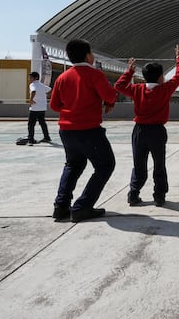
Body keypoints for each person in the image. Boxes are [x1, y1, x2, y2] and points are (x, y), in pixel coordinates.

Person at [50, 39, 118, 223]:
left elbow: (55, 105)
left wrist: (71, 108)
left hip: (66, 130)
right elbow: (110, 95)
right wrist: (107, 102)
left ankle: (61, 206)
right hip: (88, 130)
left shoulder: (63, 77)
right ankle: (82, 206)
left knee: (73, 165)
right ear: (88, 55)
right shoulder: (95, 75)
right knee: (105, 165)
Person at [115, 44, 179, 207]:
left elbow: (118, 86)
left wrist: (129, 72)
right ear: (161, 76)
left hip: (139, 130)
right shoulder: (165, 89)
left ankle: (133, 193)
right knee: (159, 164)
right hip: (157, 131)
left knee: (139, 164)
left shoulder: (137, 89)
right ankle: (159, 196)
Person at [16, 71, 52, 145]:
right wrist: (46, 96)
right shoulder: (42, 85)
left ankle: (31, 139)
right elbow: (50, 89)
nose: (29, 78)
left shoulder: (33, 84)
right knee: (42, 123)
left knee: (31, 124)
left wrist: (31, 99)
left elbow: (33, 91)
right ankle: (47, 137)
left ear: (35, 78)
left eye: (31, 77)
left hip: (35, 108)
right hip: (42, 108)